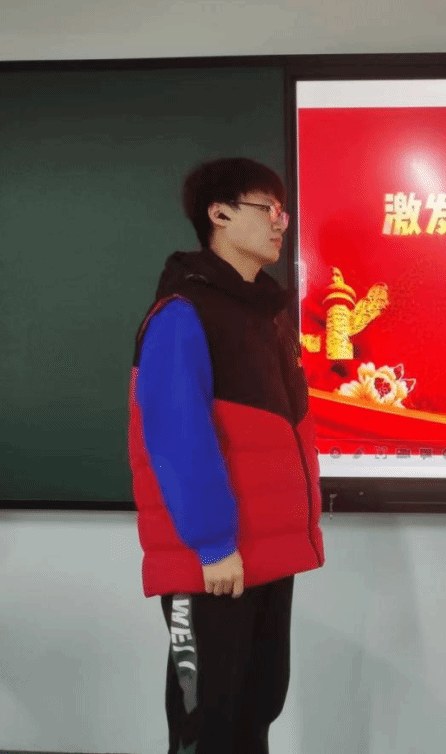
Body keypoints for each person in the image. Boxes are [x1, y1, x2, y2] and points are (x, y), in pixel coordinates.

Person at [127, 157, 325, 754]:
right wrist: (213, 543)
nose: (281, 223)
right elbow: (175, 434)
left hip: (266, 554)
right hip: (212, 563)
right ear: (219, 214)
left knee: (257, 706)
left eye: (283, 212)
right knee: (203, 719)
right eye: (269, 209)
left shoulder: (265, 315)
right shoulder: (183, 312)